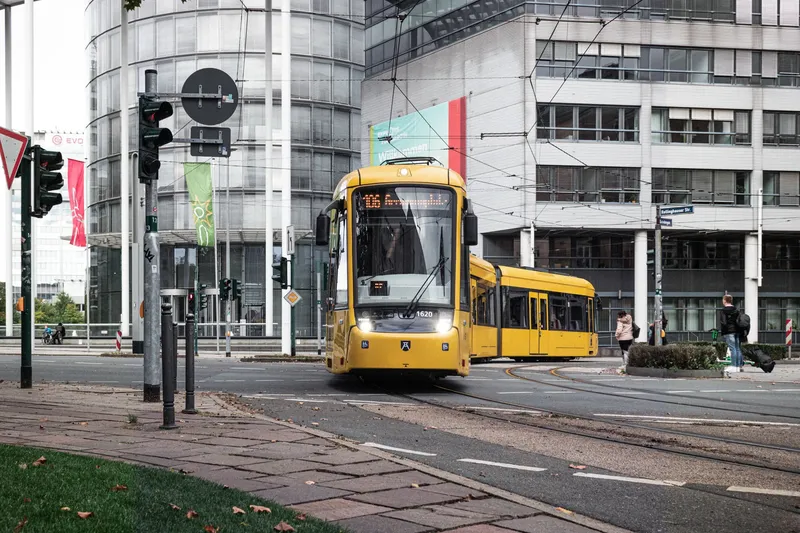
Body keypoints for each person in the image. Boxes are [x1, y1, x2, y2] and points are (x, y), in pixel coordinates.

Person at [718, 294, 743, 374]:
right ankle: (738, 366)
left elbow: (724, 322)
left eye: (723, 299)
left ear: (725, 300)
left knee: (732, 349)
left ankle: (733, 366)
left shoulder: (723, 311)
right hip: (737, 331)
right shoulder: (736, 310)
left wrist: (724, 332)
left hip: (729, 332)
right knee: (737, 348)